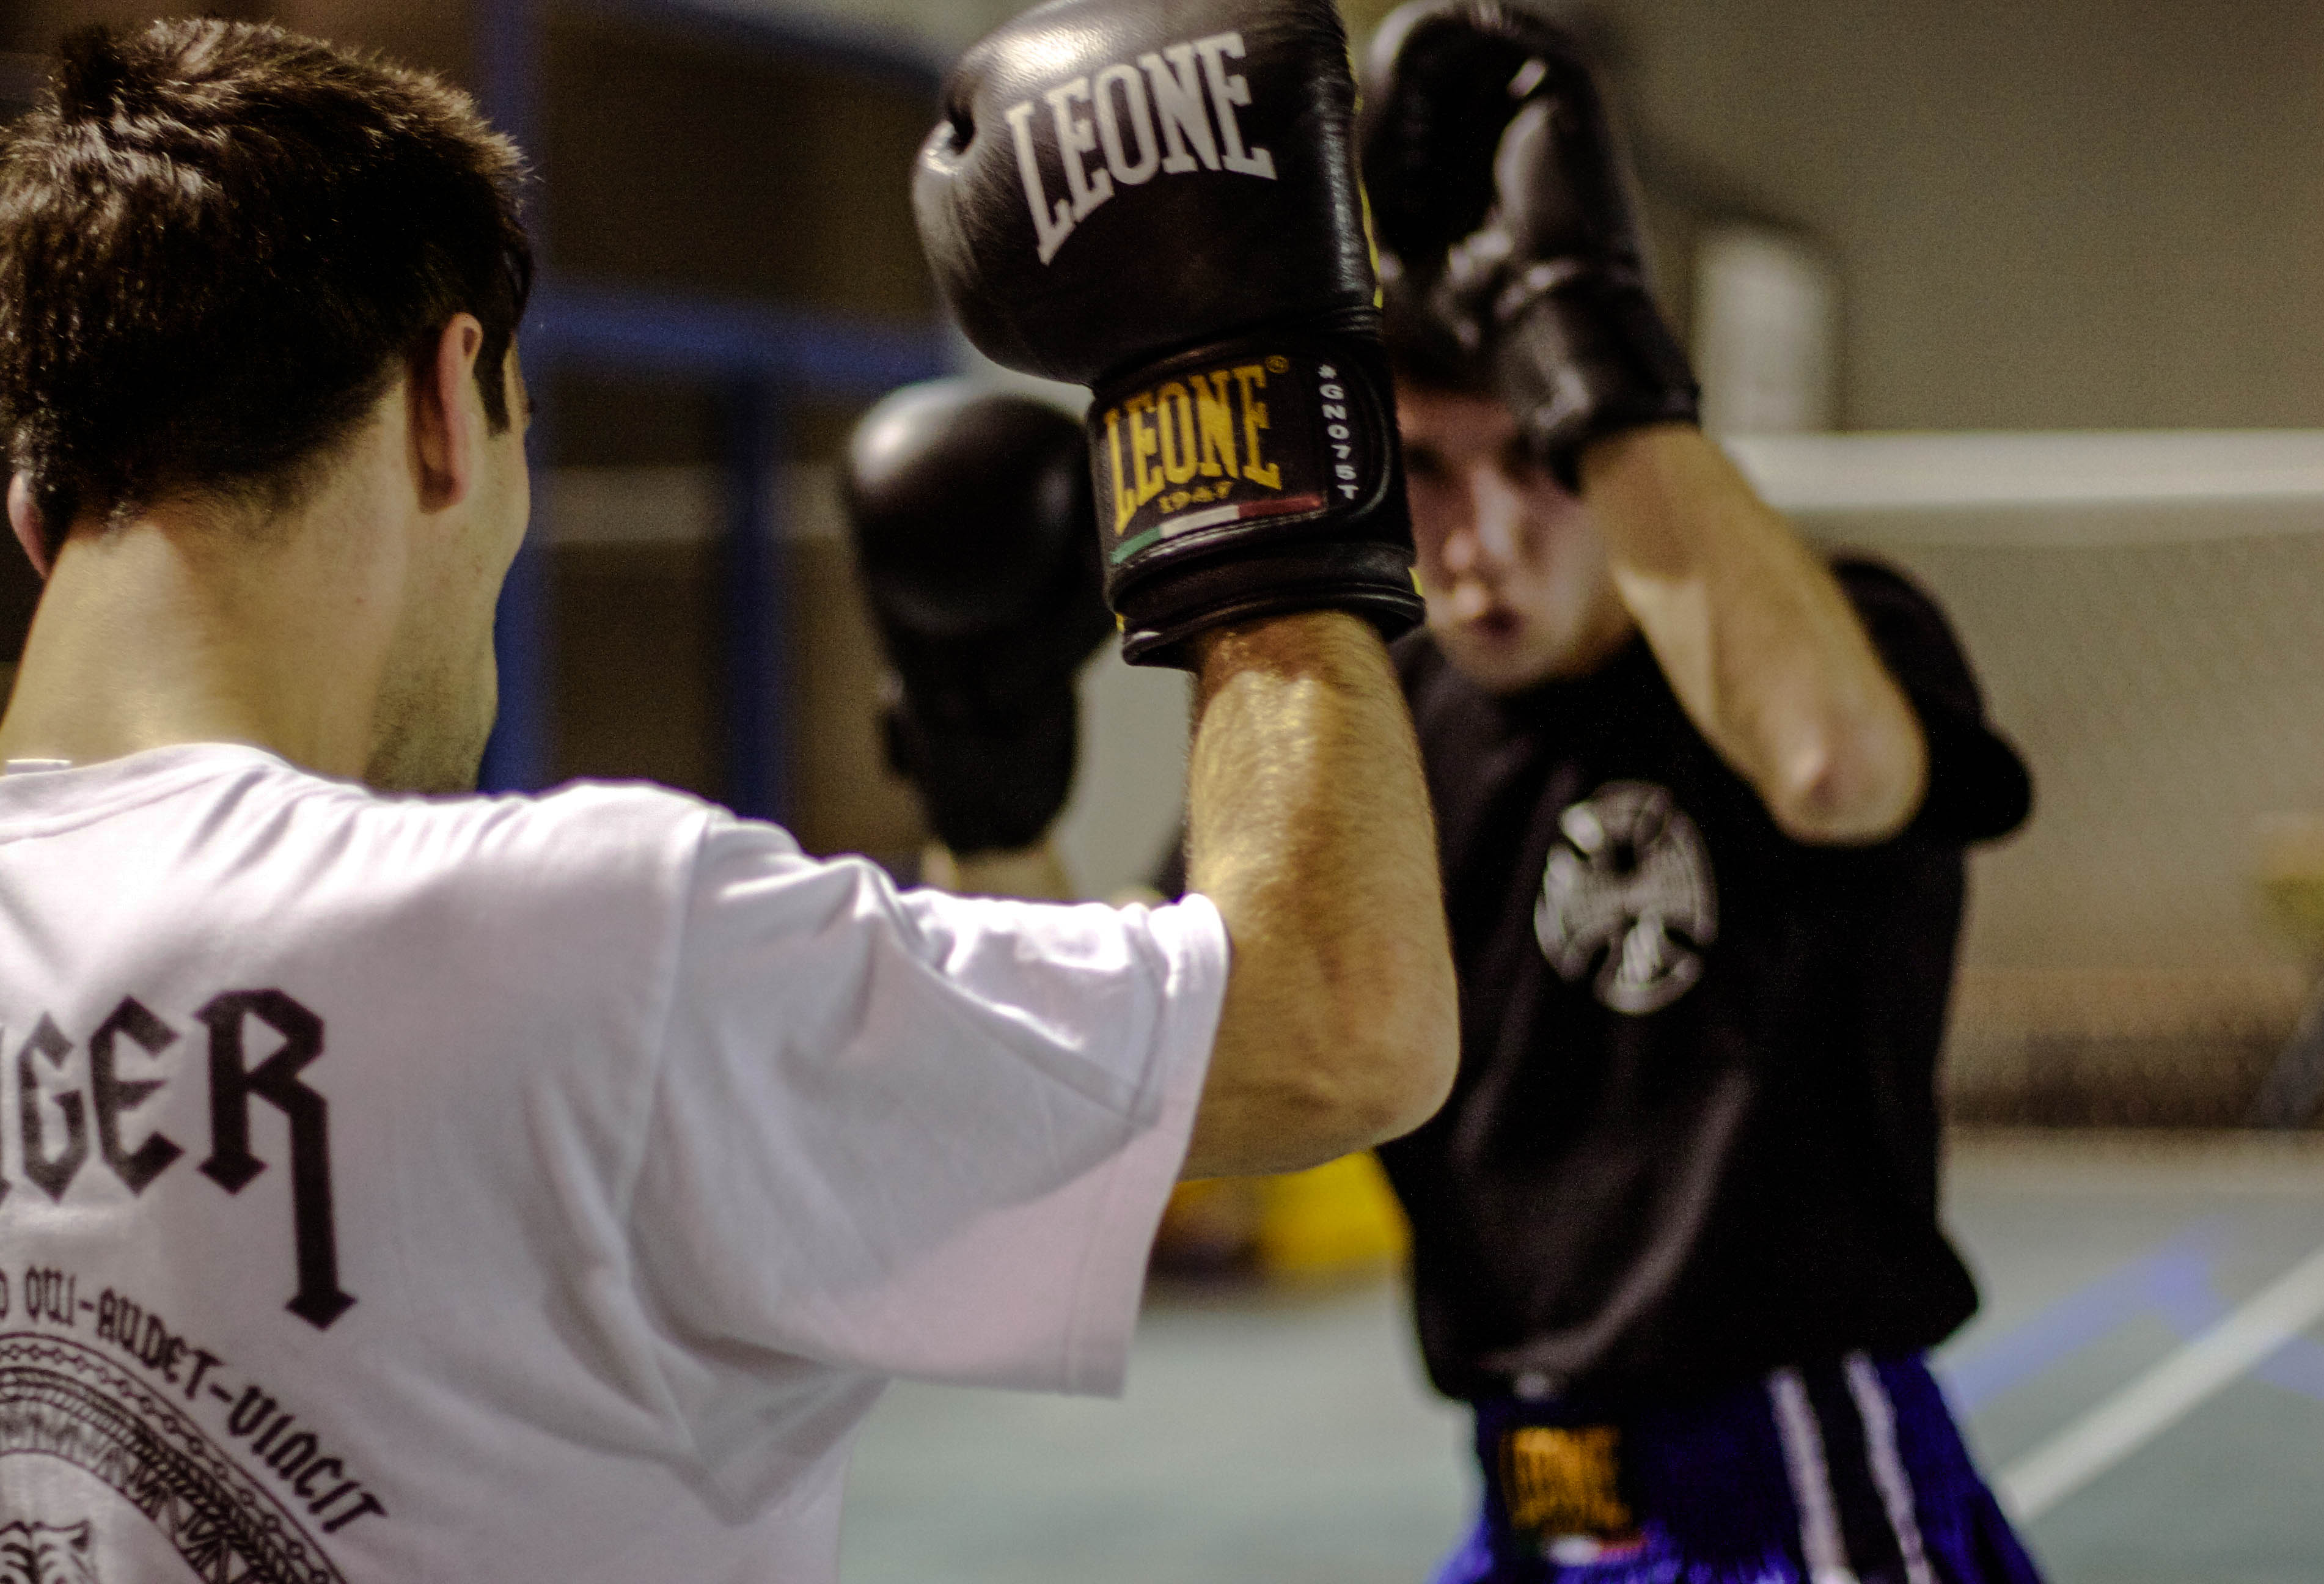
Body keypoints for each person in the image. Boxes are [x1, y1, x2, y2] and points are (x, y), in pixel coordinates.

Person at [0, 13, 1454, 1581]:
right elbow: (1341, 1029)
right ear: (446, 404)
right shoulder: (570, 947)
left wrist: (988, 796)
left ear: (35, 510)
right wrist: (1232, 404)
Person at [1344, 6, 2045, 1582]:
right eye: (1429, 471)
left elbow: (1830, 767)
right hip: (1532, 1483)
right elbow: (1177, 1028)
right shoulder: (1390, 719)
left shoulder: (1832, 640)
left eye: (1537, 462)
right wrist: (995, 774)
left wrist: (1589, 337)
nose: (1480, 541)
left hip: (1793, 1470)